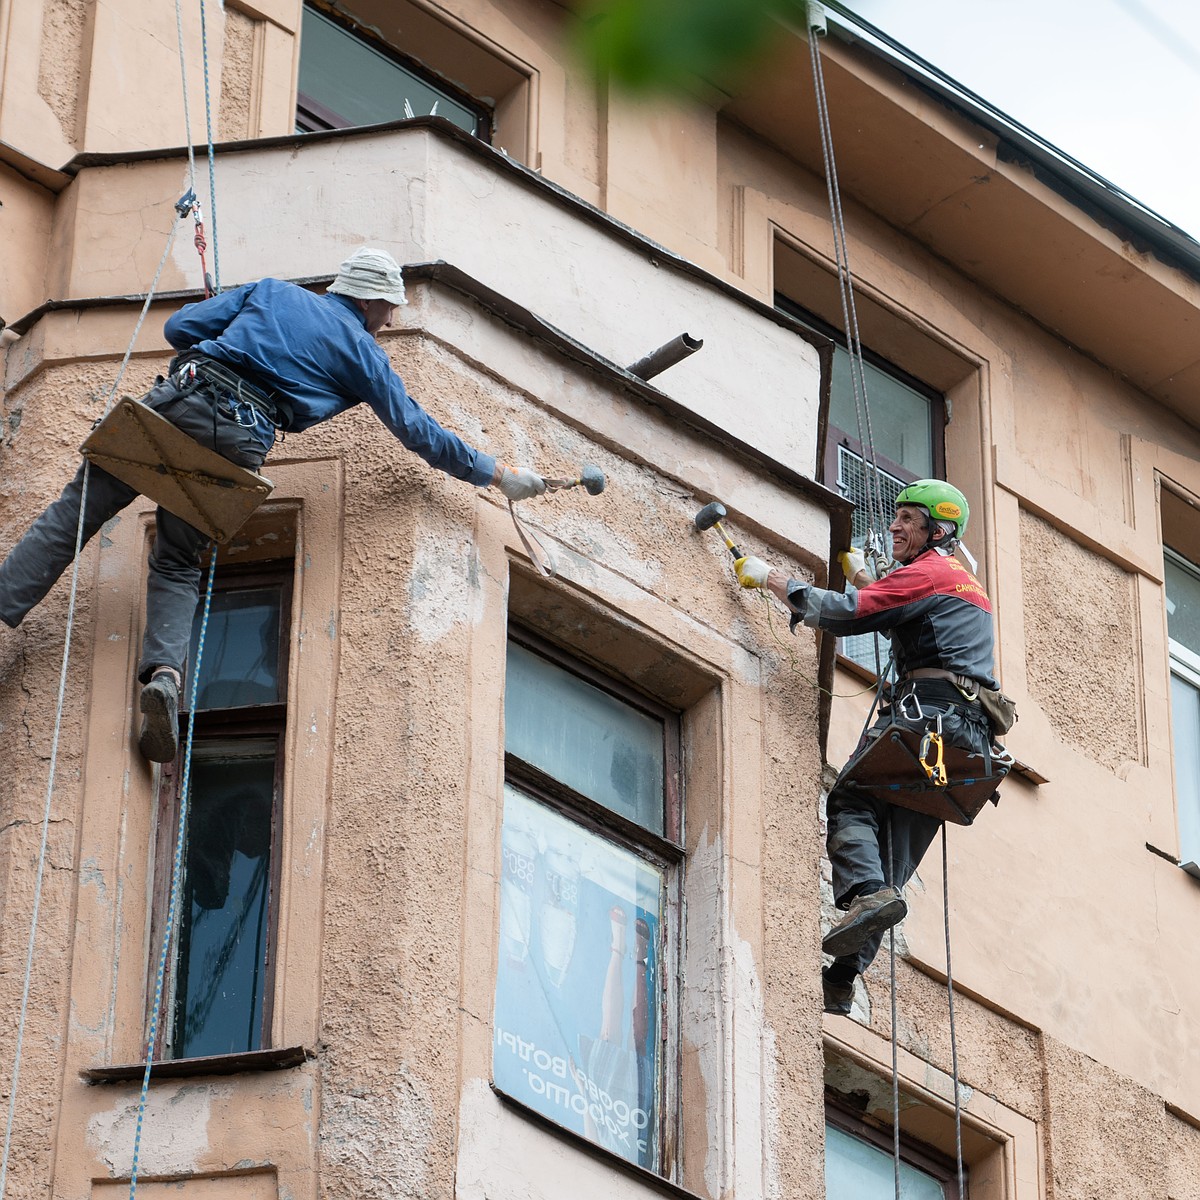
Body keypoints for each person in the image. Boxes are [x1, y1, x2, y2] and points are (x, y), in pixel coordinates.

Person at [0, 247, 547, 763]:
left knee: (75, 514)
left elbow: (178, 329)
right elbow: (417, 430)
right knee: (176, 561)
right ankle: (164, 676)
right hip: (242, 439)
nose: (390, 321)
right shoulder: (364, 354)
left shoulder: (272, 291)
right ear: (369, 300)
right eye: (388, 309)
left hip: (185, 398)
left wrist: (225, 322)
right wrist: (498, 473)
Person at [733, 480, 1000, 1016]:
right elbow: (905, 609)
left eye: (907, 518)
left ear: (938, 529)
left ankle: (863, 901)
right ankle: (843, 976)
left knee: (850, 802)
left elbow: (858, 611)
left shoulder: (931, 572)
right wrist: (862, 572)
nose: (895, 527)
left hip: (928, 723)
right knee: (891, 870)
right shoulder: (962, 583)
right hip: (965, 746)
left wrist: (775, 581)